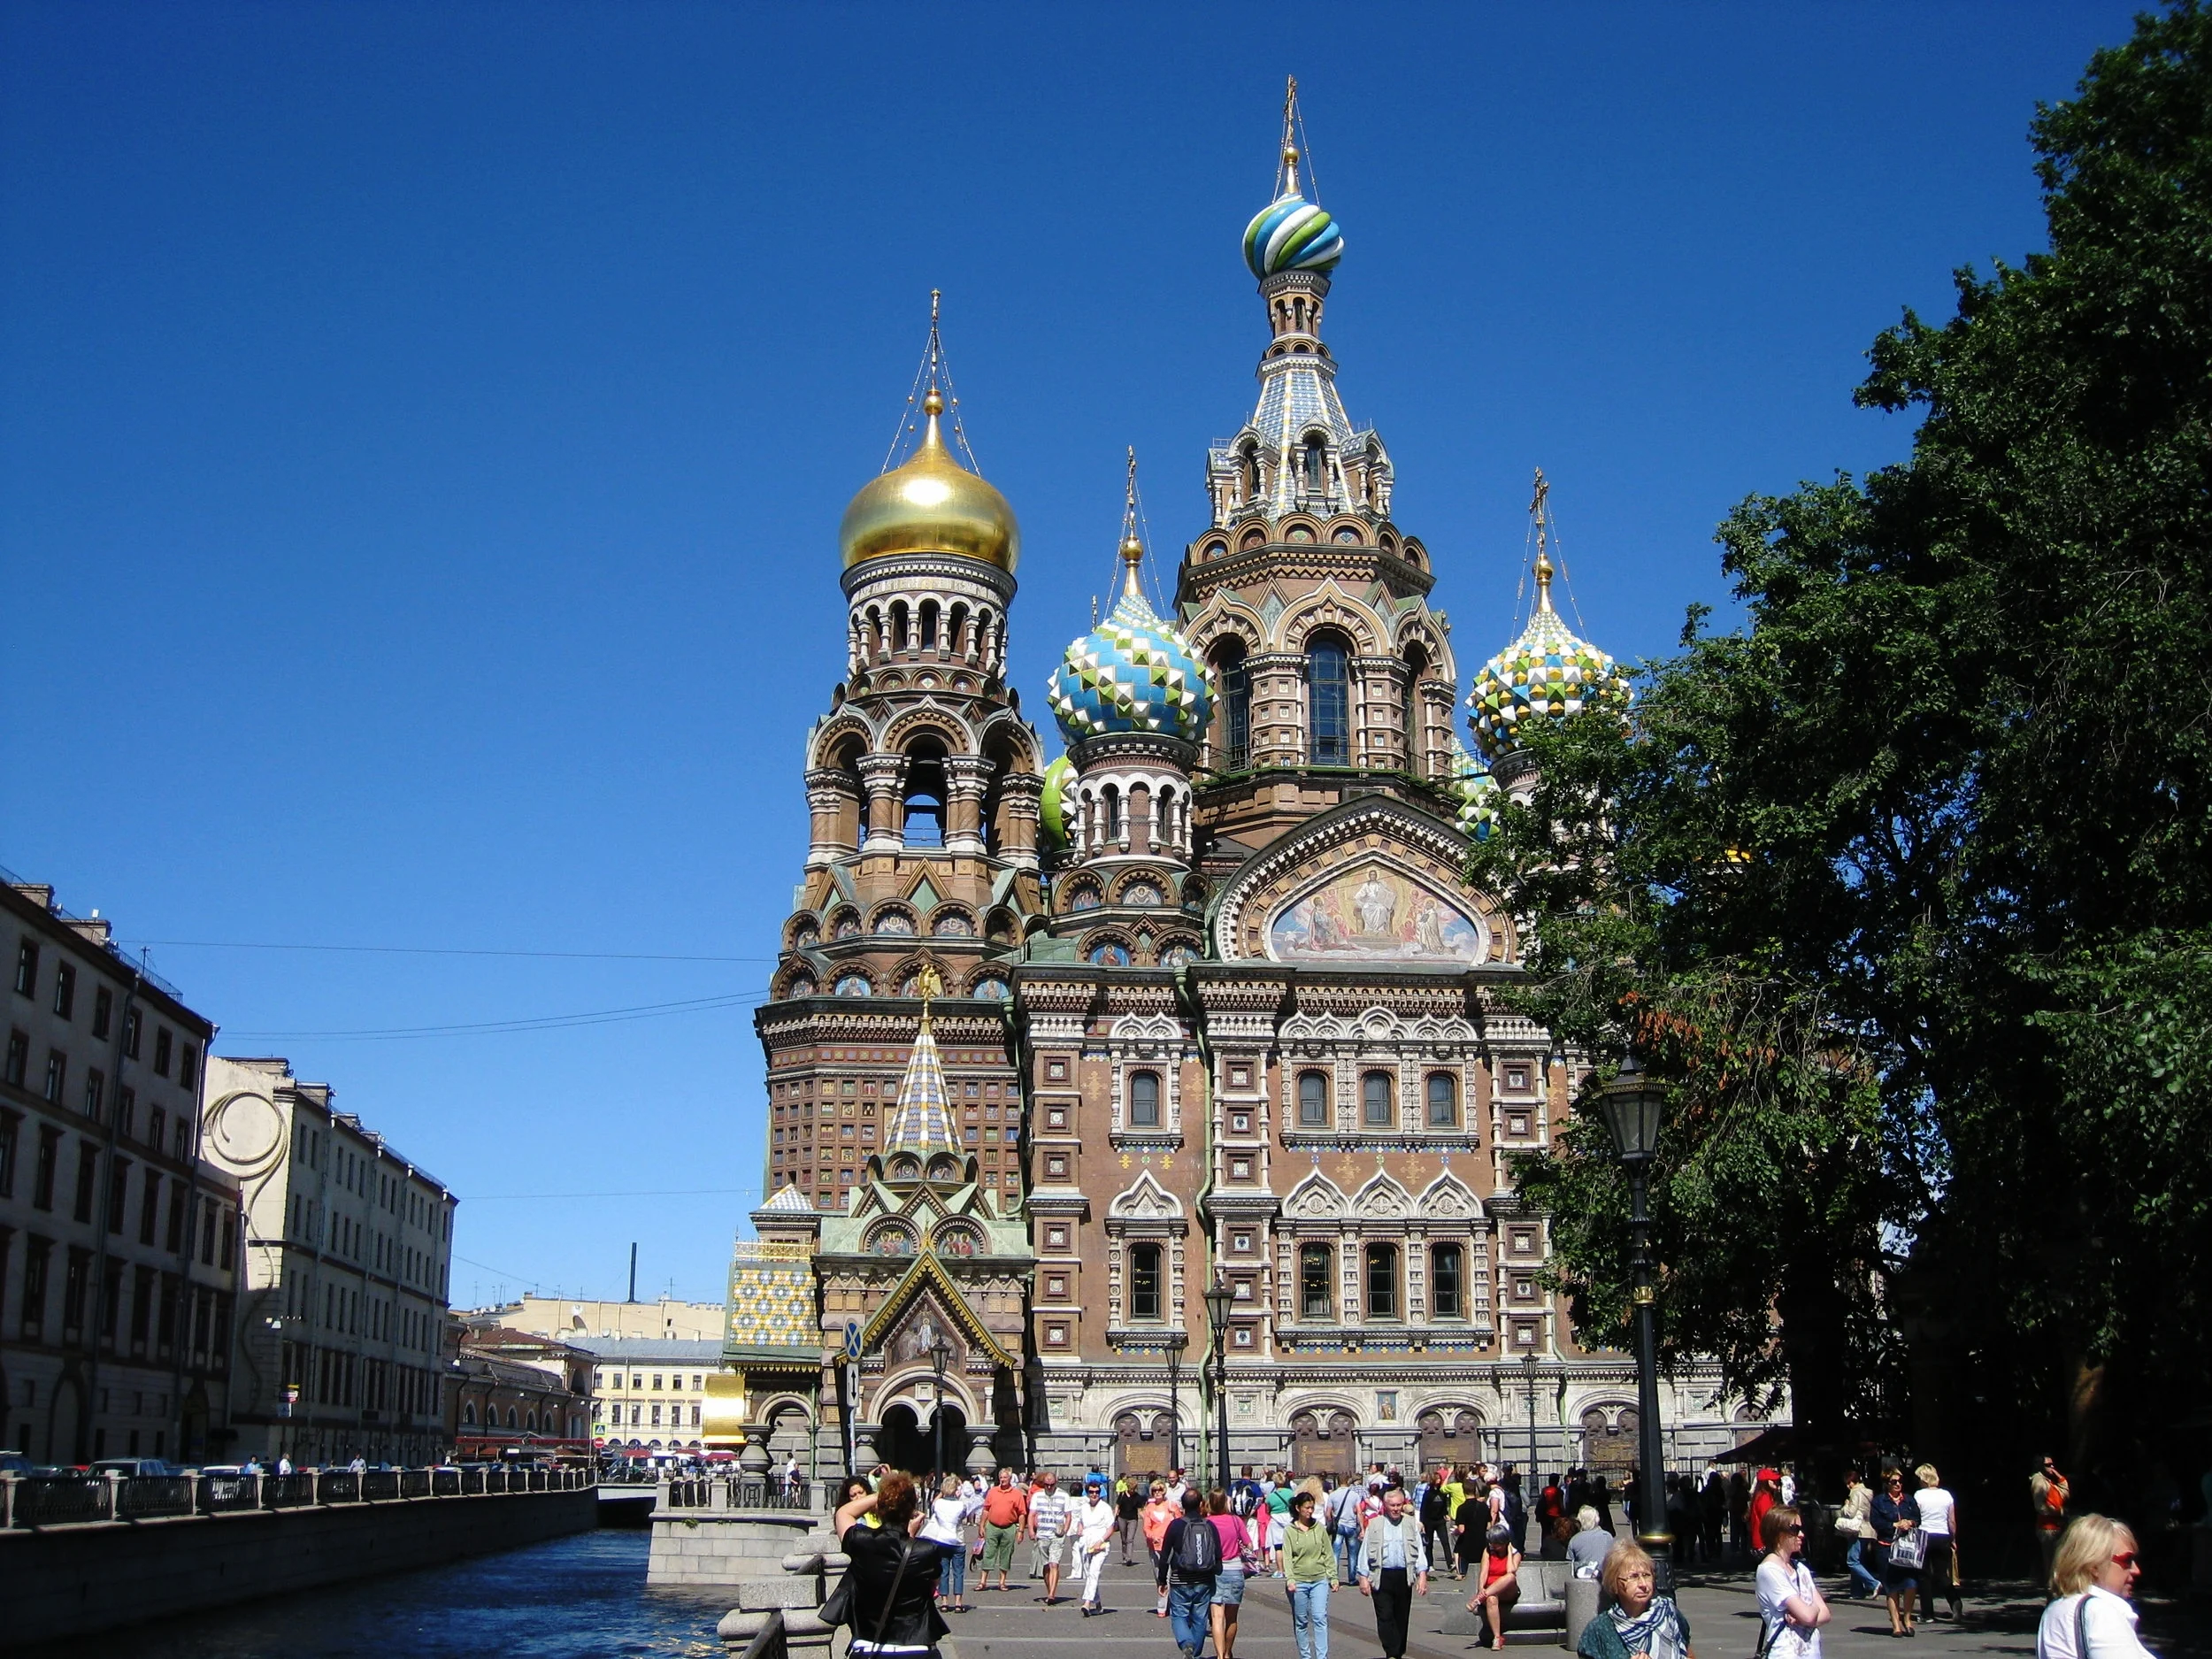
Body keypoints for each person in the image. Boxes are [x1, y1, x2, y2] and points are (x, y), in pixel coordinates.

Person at [836, 1471, 951, 1659]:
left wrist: (883, 1495)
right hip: (916, 1647)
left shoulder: (861, 1541)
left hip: (868, 1647)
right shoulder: (926, 1550)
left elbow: (844, 1512)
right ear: (911, 1508)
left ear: (880, 1507)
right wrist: (911, 1537)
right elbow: (932, 1587)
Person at [2034, 1514, 2155, 1659]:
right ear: (2094, 1565)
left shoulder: (2055, 1609)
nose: (2136, 1570)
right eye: (2127, 1560)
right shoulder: (2102, 1613)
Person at [1578, 1540, 1694, 1659]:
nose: (1643, 1584)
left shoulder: (1668, 1612)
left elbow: (1689, 1653)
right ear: (1614, 1584)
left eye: (1646, 1575)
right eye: (1633, 1577)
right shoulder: (1599, 1629)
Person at [1356, 1484, 1429, 1659]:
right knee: (1385, 1616)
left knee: (1401, 1617)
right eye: (1392, 1506)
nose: (1396, 1509)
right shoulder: (1375, 1524)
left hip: (1404, 1575)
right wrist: (1363, 1577)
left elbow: (1419, 1550)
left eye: (1398, 1505)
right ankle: (1392, 1652)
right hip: (1382, 1575)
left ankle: (1398, 1651)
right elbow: (1365, 1551)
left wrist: (1422, 1575)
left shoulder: (1410, 1524)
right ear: (1385, 1505)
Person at [1755, 1505, 1831, 1659]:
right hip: (1785, 1653)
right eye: (1795, 1529)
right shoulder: (1769, 1570)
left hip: (1811, 1653)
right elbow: (1810, 1616)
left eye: (1802, 1529)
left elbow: (1826, 1614)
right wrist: (1811, 1611)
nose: (1801, 1534)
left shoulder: (1800, 1568)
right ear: (1779, 1533)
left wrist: (1806, 1614)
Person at [1159, 1488, 1224, 1659]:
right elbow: (1218, 1553)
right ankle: (1194, 1654)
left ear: (1183, 1506)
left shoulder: (1176, 1525)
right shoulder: (1209, 1525)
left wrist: (1161, 1581)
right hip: (1204, 1580)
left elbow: (1165, 1555)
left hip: (1180, 1579)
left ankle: (1186, 1642)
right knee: (1199, 1618)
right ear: (1201, 1504)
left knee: (1179, 1616)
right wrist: (1217, 1569)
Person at [1284, 1489, 1335, 1659]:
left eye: (1312, 1508)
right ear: (1298, 1508)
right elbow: (1287, 1557)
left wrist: (1333, 1576)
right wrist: (1290, 1579)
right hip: (1299, 1581)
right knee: (1301, 1621)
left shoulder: (1319, 1528)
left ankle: (1322, 1656)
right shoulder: (1290, 1531)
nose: (1310, 1511)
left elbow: (1327, 1553)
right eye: (1307, 1508)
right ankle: (1305, 1656)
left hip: (1319, 1579)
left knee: (1320, 1617)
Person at [1871, 1468, 1920, 1637]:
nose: (1898, 1484)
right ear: (1887, 1484)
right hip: (1887, 1547)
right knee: (1891, 1586)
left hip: (1908, 1549)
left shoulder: (1909, 1500)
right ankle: (1896, 1624)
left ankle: (1907, 1619)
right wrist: (1894, 1524)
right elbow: (1875, 1522)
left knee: (1911, 1584)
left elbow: (1918, 1518)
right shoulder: (1879, 1501)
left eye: (1899, 1481)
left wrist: (1910, 1522)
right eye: (1894, 1482)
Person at [1209, 1487, 1256, 1659]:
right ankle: (1228, 1652)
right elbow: (1249, 1545)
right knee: (1232, 1617)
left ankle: (1219, 1655)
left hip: (1215, 1571)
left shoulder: (1207, 1522)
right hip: (1235, 1570)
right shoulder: (1235, 1521)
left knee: (1217, 1616)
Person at [1912, 1464, 1962, 1621]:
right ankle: (1955, 1601)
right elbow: (1951, 1521)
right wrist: (1953, 1538)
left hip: (1924, 1535)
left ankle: (1927, 1613)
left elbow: (1916, 1518)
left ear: (1924, 1479)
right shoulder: (1946, 1495)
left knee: (1924, 1576)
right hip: (1942, 1535)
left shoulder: (1919, 1495)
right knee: (1942, 1574)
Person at [1467, 1524, 1523, 1652]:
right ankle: (1497, 1638)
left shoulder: (1516, 1554)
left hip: (1509, 1591)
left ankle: (1477, 1600)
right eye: (1492, 1543)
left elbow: (1511, 1570)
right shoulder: (1488, 1551)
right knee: (1491, 1599)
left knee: (1510, 1577)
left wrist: (1509, 1552)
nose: (1494, 1546)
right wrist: (1481, 1588)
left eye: (1497, 1543)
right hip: (1490, 1590)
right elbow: (1484, 1572)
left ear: (1505, 1542)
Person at [922, 1474, 972, 1614]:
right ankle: (958, 1602)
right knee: (959, 1572)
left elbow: (933, 1505)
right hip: (957, 1541)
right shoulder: (961, 1504)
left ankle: (944, 1602)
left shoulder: (938, 1504)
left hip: (942, 1540)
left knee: (943, 1572)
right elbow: (963, 1516)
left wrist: (941, 1494)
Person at [1027, 1471, 1072, 1604]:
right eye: (1046, 1485)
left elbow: (1068, 1515)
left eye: (1051, 1485)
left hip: (1057, 1535)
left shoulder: (1064, 1496)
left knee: (1054, 1564)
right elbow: (1031, 1514)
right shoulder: (1037, 1496)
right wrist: (1031, 1530)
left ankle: (1052, 1594)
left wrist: (1065, 1529)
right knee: (1046, 1566)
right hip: (1042, 1535)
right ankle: (1049, 1590)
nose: (1049, 1487)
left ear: (1056, 1483)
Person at [1836, 1469, 1882, 1600]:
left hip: (1858, 1530)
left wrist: (1845, 1506)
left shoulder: (1855, 1493)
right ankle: (1857, 1592)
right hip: (1869, 1529)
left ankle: (1874, 1583)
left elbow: (1850, 1513)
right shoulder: (1869, 1492)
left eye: (1848, 1483)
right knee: (1859, 1561)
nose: (1847, 1486)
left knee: (1852, 1561)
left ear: (1851, 1482)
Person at [1075, 1475, 1117, 1617]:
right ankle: (1098, 1604)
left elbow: (1111, 1528)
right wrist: (1079, 1529)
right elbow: (1081, 1522)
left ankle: (1087, 1603)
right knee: (1089, 1575)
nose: (1094, 1494)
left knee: (1094, 1572)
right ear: (1087, 1493)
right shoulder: (1083, 1507)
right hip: (1086, 1543)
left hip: (1101, 1543)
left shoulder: (1105, 1508)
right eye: (1091, 1492)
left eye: (1097, 1492)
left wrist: (1100, 1541)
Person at [979, 1466, 1026, 1592]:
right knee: (989, 1553)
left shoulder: (1017, 1494)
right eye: (1001, 1477)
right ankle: (983, 1581)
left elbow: (1022, 1513)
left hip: (1009, 1527)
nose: (1002, 1480)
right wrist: (982, 1525)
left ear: (1010, 1478)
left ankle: (1002, 1582)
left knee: (1006, 1555)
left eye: (1005, 1477)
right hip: (993, 1526)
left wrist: (1021, 1531)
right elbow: (986, 1509)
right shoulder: (993, 1491)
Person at [2032, 1457, 2071, 1583]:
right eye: (2048, 1465)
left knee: (2057, 1561)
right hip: (2047, 1528)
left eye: (2053, 1464)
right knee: (2051, 1563)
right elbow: (2041, 1507)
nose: (2052, 1467)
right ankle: (2051, 1590)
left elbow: (2065, 1492)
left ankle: (2053, 1588)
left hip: (2056, 1526)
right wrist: (2059, 1512)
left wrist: (2058, 1475)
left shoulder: (2050, 1483)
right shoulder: (2039, 1481)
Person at [1143, 1479, 1179, 1614]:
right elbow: (1146, 1527)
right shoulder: (1149, 1508)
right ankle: (1165, 1599)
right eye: (1154, 1491)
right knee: (1159, 1575)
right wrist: (1152, 1536)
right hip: (1155, 1545)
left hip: (1170, 1546)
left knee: (1170, 1575)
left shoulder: (1171, 1505)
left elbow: (1180, 1523)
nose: (1157, 1493)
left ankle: (1163, 1605)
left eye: (1159, 1490)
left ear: (1164, 1491)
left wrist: (1174, 1513)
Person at [1455, 1480, 1491, 1581]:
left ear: (1463, 1491)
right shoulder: (1484, 1506)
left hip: (1467, 1543)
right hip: (1481, 1541)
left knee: (1464, 1564)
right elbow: (1489, 1526)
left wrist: (1456, 1531)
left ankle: (1461, 1574)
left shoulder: (1462, 1508)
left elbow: (1461, 1529)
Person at [1265, 1473, 1295, 1576]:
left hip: (1276, 1520)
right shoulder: (1291, 1493)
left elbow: (1267, 1510)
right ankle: (1289, 1570)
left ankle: (1280, 1570)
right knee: (1290, 1547)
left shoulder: (1271, 1496)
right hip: (1288, 1518)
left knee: (1278, 1547)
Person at [1117, 1474, 1144, 1565]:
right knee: (1123, 1538)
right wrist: (1114, 1516)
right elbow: (1117, 1506)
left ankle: (1129, 1558)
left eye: (1134, 1489)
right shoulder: (1122, 1495)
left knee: (1130, 1539)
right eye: (1130, 1489)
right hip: (1122, 1518)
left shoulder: (1138, 1497)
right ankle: (1124, 1555)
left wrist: (1145, 1518)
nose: (1132, 1491)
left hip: (1133, 1519)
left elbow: (1140, 1510)